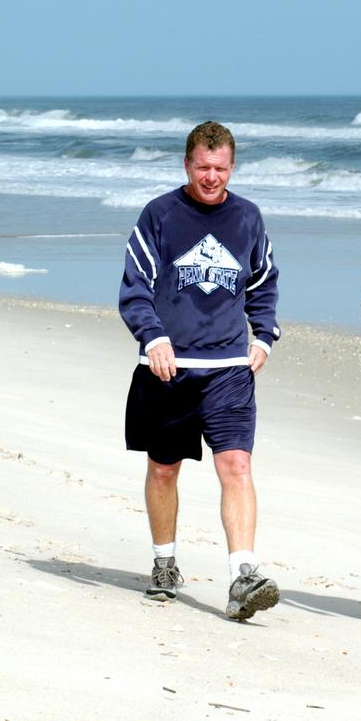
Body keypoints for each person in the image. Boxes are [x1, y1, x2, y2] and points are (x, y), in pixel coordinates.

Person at [119, 120, 281, 621]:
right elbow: (134, 287)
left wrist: (266, 336)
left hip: (230, 366)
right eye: (203, 167)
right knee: (163, 469)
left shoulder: (248, 218)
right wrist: (154, 336)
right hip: (168, 369)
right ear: (186, 164)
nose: (212, 177)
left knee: (236, 465)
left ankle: (243, 575)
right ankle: (165, 564)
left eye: (221, 168)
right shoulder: (160, 215)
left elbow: (263, 282)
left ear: (232, 167)